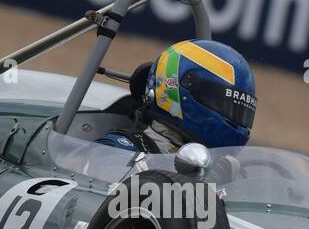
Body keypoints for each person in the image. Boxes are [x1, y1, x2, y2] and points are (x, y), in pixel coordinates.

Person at [97, 40, 257, 155]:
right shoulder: (119, 152)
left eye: (238, 109)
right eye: (220, 102)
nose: (234, 117)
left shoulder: (225, 171)